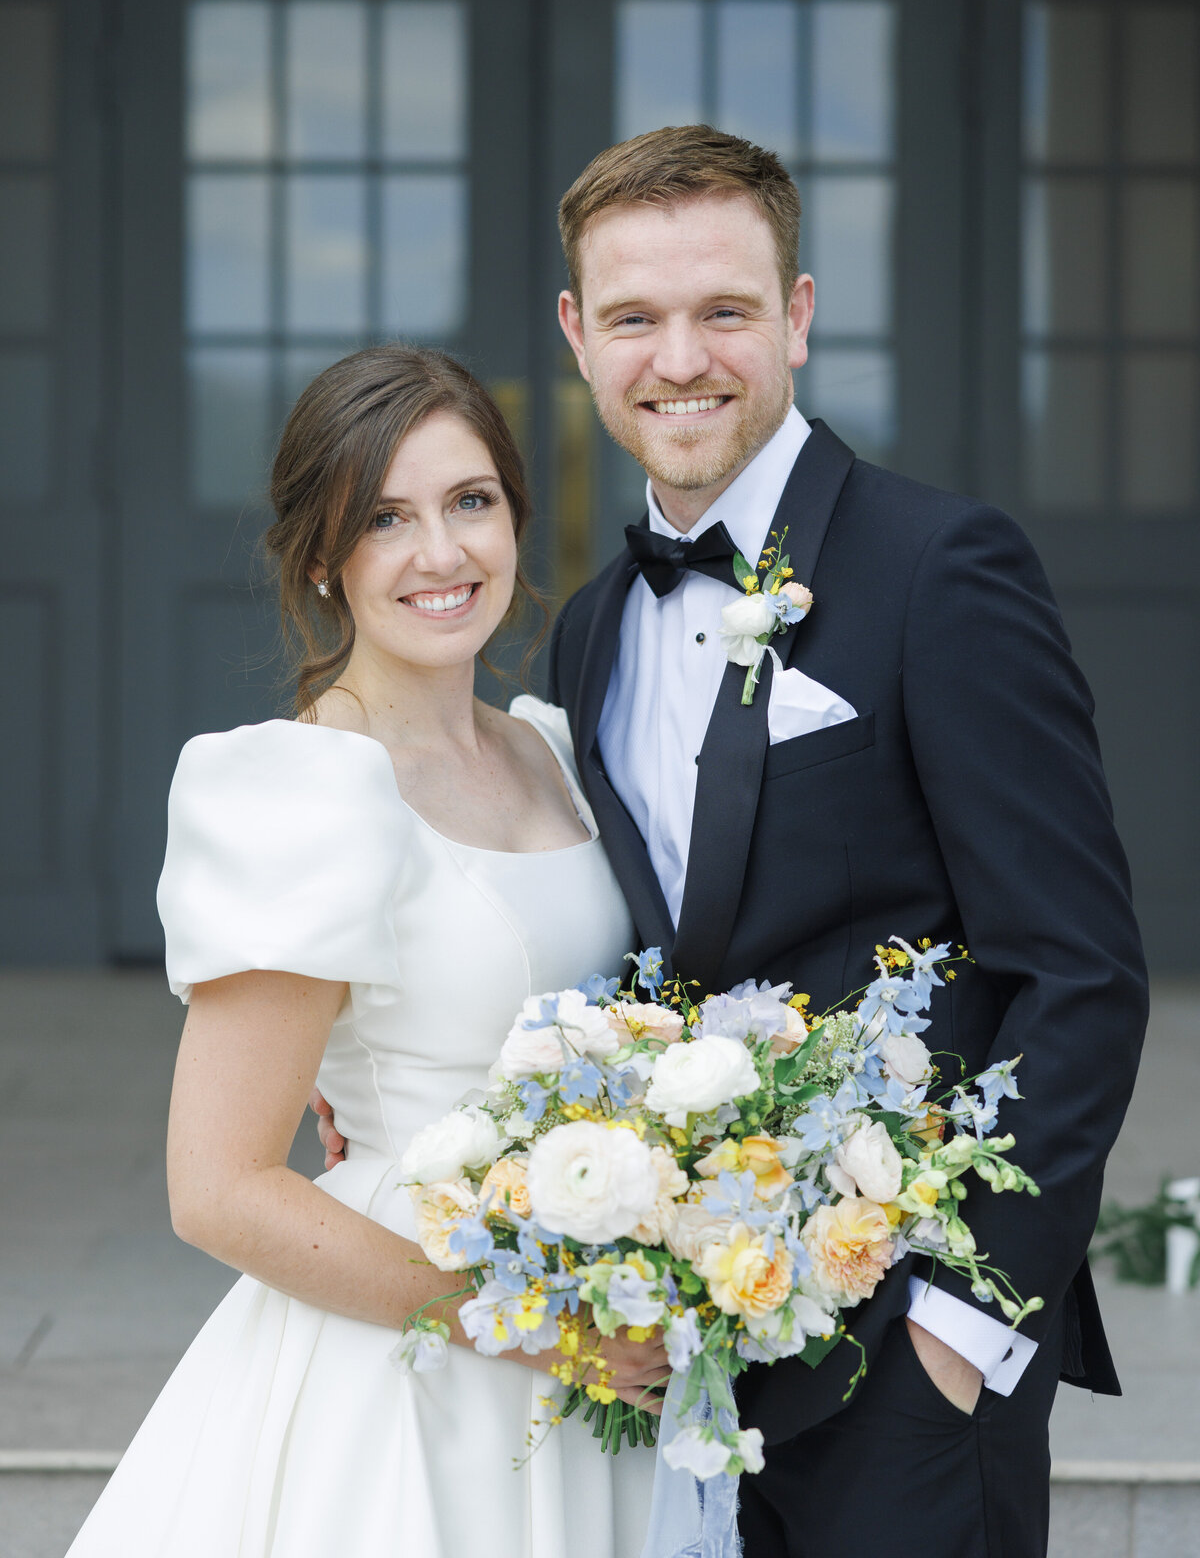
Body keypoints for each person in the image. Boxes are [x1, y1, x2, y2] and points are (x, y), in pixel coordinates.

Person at [323, 127, 1148, 1557]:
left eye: (726, 311)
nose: (680, 357)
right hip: (672, 1351)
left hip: (906, 1350)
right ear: (579, 336)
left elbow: (1080, 973)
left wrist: (959, 1328)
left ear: (801, 318)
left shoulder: (943, 568)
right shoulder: (583, 633)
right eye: (635, 317)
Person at [66, 345, 661, 1558]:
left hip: (607, 1326)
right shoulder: (306, 789)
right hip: (424, 1354)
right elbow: (219, 1187)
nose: (441, 554)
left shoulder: (552, 747)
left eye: (471, 501)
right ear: (324, 561)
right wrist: (531, 1322)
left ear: (516, 515)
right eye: (386, 518)